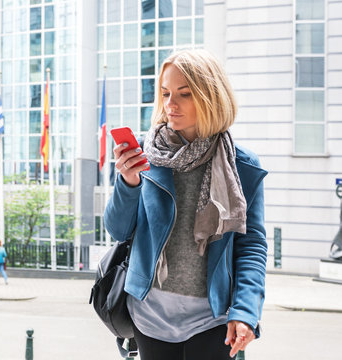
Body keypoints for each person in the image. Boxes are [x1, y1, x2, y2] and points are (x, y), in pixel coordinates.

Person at [104, 49, 268, 360]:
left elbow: (251, 246)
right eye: (165, 93)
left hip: (213, 319)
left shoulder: (242, 166)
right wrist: (128, 183)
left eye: (184, 94)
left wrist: (246, 311)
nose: (170, 104)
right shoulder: (144, 154)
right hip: (150, 316)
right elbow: (118, 229)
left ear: (210, 97)